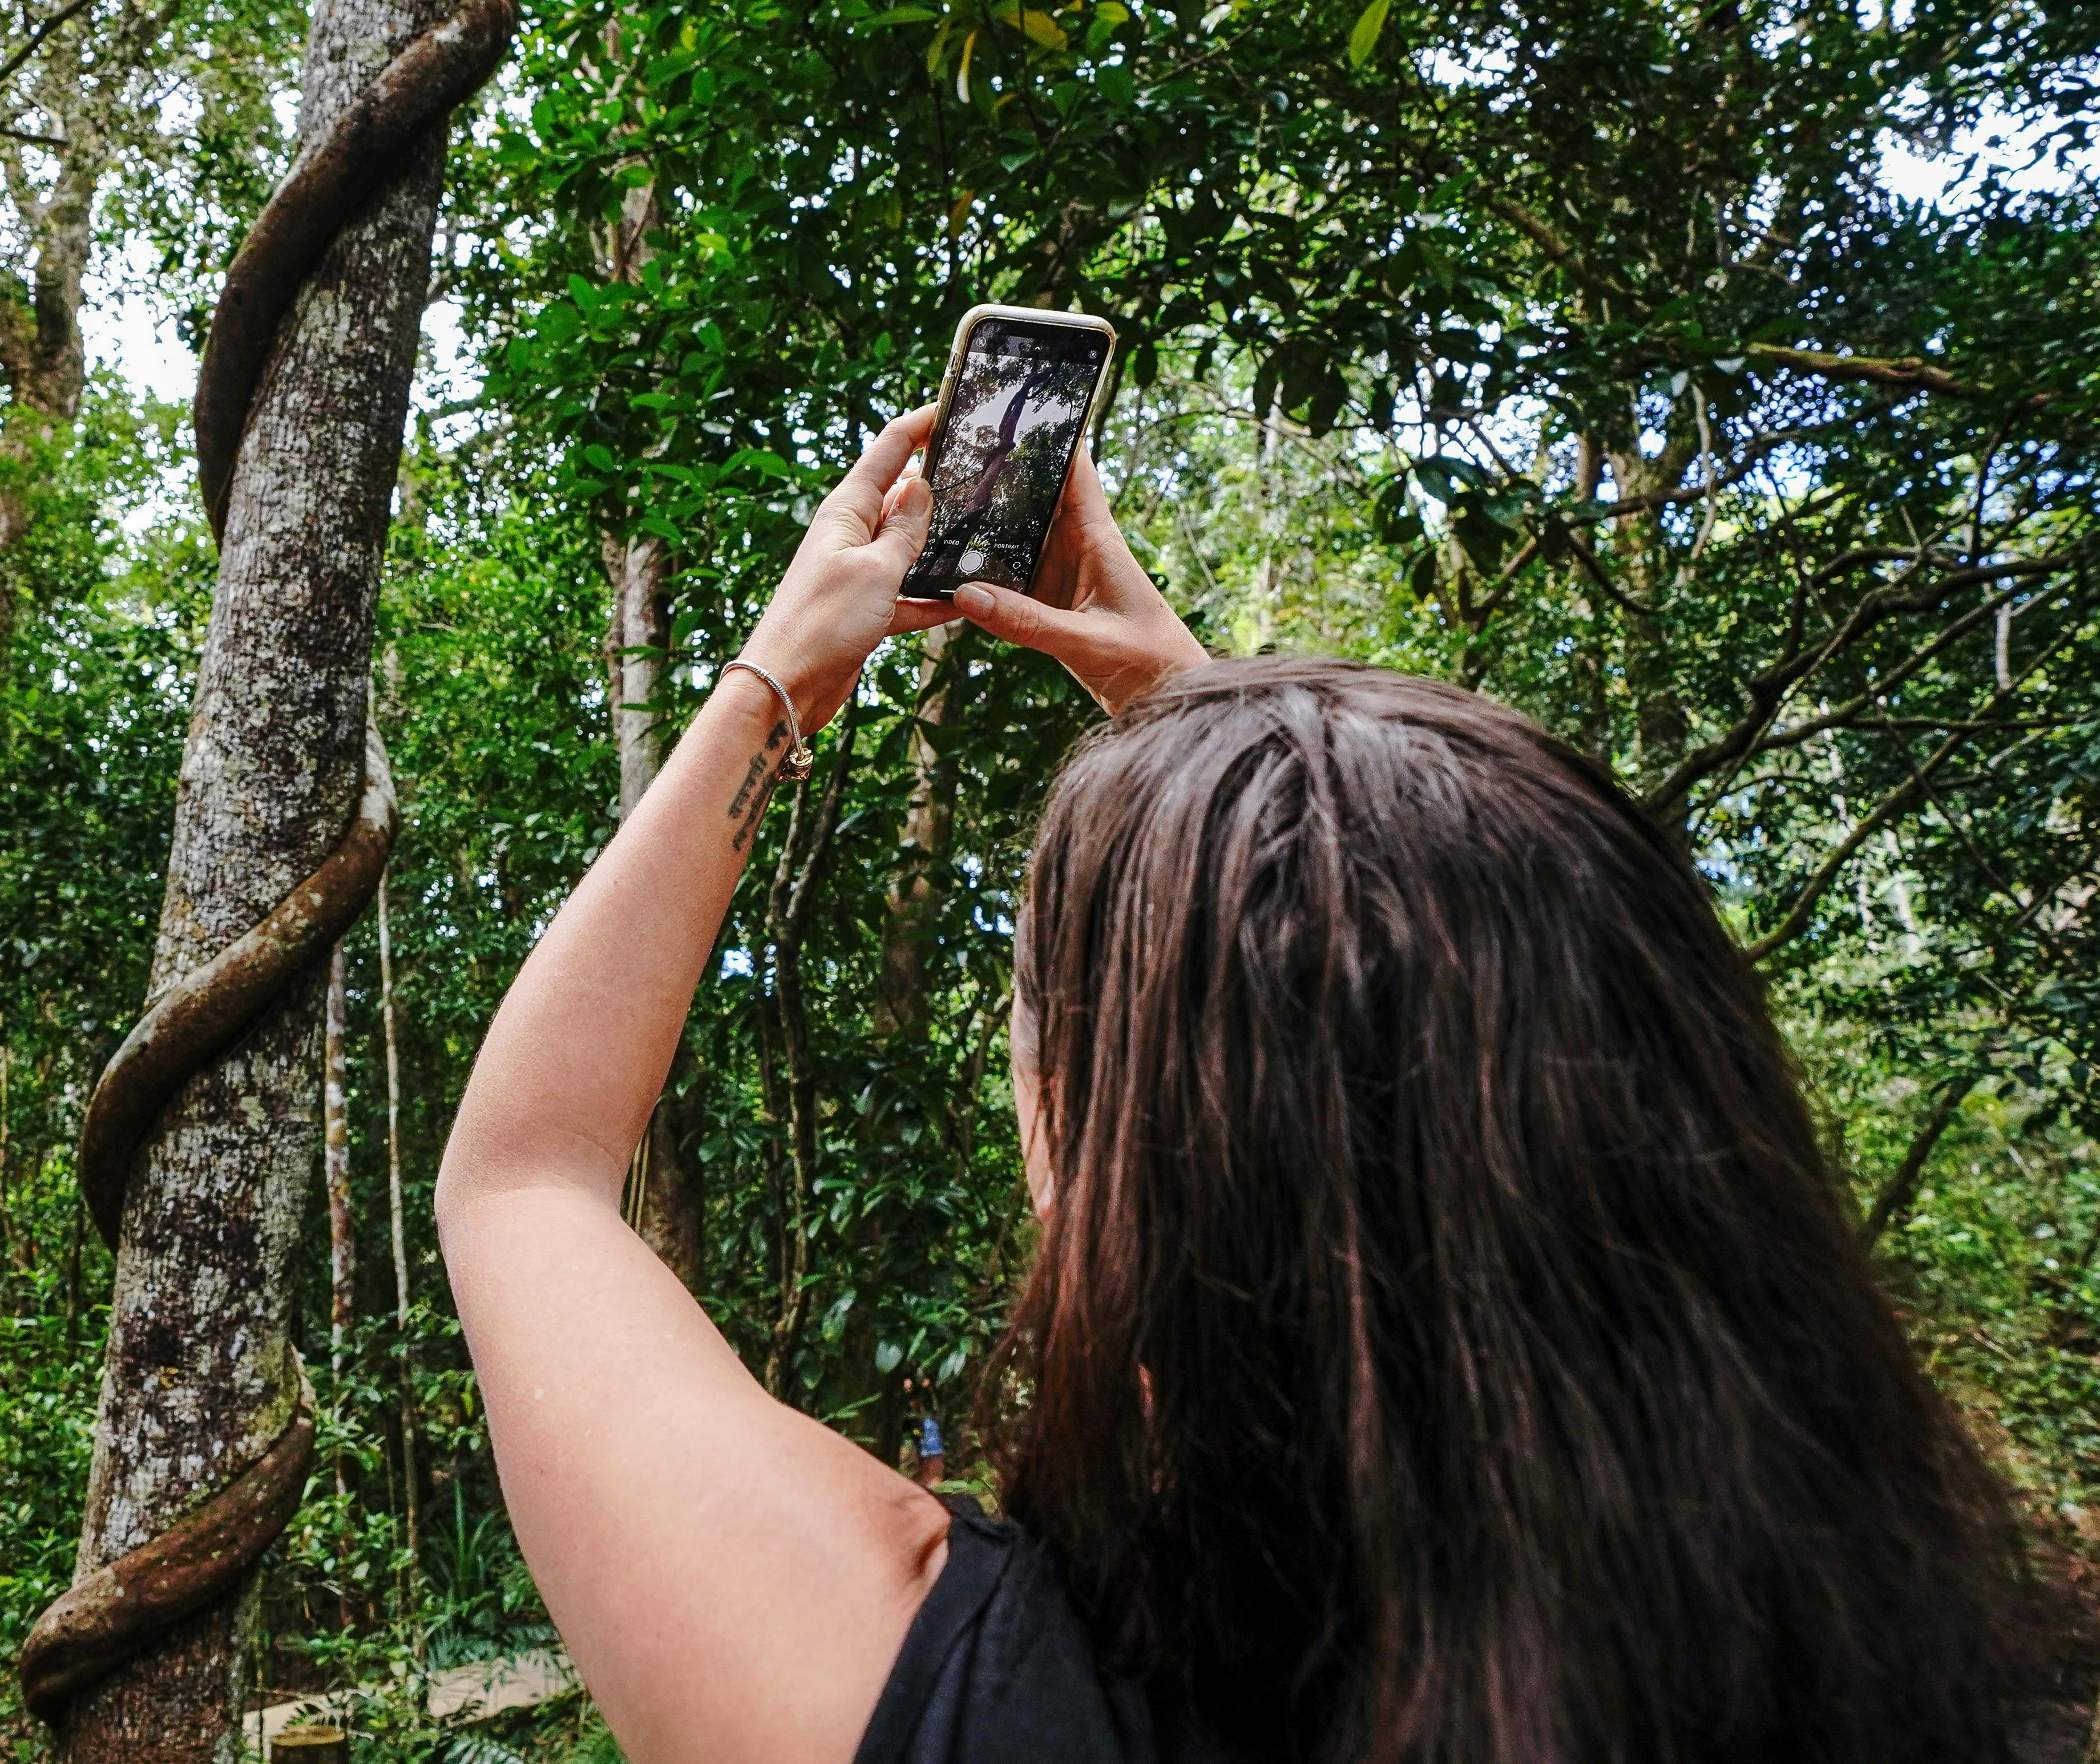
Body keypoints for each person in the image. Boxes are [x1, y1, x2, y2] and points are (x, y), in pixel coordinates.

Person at [434, 406, 2030, 1763]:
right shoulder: (1846, 1638)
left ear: (1120, 1153)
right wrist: (1212, 724)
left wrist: (779, 675)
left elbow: (523, 1175)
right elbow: (1366, 1002)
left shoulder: (949, 1690)